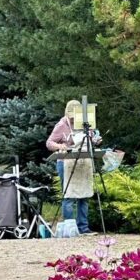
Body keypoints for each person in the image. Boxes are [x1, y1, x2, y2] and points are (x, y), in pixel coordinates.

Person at [46, 100, 100, 234]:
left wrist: (96, 140)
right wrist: (60, 146)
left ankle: (83, 227)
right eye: (71, 116)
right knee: (69, 195)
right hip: (66, 163)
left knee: (84, 195)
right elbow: (49, 143)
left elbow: (92, 138)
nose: (73, 118)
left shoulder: (86, 123)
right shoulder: (62, 124)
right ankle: (69, 228)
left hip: (83, 161)